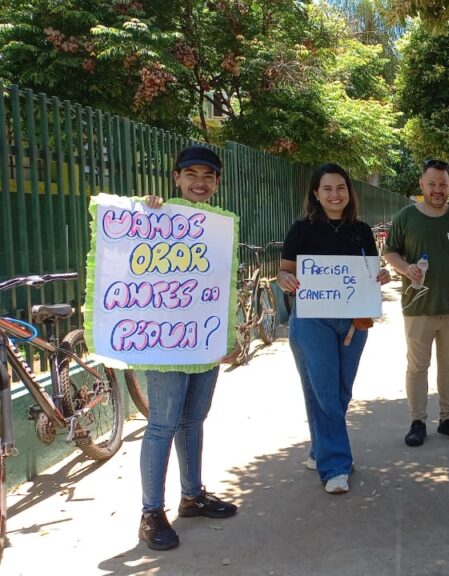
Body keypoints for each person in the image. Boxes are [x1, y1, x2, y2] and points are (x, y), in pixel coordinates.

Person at [137, 146, 238, 551]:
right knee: (162, 424)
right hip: (165, 345)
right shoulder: (157, 215)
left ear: (216, 183)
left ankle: (192, 495)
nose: (200, 182)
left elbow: (223, 286)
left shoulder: (219, 225)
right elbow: (130, 243)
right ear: (176, 177)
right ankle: (150, 512)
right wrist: (146, 211)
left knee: (193, 420)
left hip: (204, 342)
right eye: (192, 174)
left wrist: (227, 340)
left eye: (209, 176)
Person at [276, 163, 391, 494]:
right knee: (325, 390)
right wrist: (285, 279)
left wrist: (381, 276)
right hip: (313, 321)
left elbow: (372, 272)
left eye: (340, 188)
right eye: (327, 189)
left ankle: (319, 449)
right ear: (316, 194)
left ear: (349, 192)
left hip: (355, 322)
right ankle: (336, 466)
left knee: (338, 390)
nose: (335, 195)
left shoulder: (362, 231)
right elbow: (284, 272)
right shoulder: (301, 230)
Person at [383, 159, 449, 447]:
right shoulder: (406, 217)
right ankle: (417, 421)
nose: (438, 190)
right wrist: (405, 268)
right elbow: (390, 252)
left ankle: (448, 418)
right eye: (432, 184)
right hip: (418, 308)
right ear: (421, 185)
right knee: (417, 367)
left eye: (443, 184)